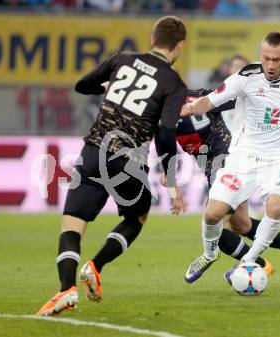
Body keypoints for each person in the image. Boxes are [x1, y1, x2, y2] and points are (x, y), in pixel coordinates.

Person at [37, 15, 188, 316]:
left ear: (152, 38)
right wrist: (171, 181)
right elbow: (167, 133)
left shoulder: (123, 59)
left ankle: (66, 289)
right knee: (138, 216)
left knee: (72, 227)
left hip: (93, 152)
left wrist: (107, 85)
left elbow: (82, 85)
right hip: (127, 162)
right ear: (180, 46)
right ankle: (95, 266)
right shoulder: (173, 83)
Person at [181, 32, 280, 285]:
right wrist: (189, 108)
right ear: (260, 55)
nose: (270, 65)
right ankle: (210, 254)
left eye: (276, 60)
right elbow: (211, 100)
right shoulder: (246, 77)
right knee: (214, 215)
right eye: (266, 58)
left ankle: (248, 262)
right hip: (244, 156)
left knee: (275, 208)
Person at [168, 88, 280, 285]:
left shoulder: (199, 97)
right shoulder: (159, 113)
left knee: (214, 219)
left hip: (229, 160)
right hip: (211, 166)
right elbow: (163, 143)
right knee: (241, 224)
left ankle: (239, 261)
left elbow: (243, 101)